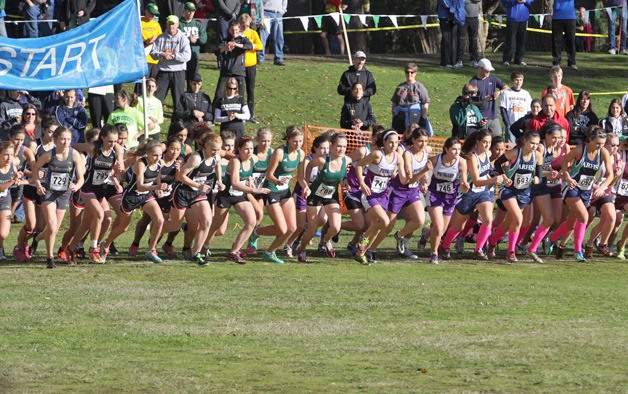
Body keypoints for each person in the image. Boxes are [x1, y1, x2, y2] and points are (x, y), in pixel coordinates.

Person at [548, 126, 613, 261]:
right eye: (597, 143)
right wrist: (567, 176)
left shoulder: (603, 152)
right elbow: (565, 162)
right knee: (584, 216)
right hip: (571, 187)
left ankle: (552, 238)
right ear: (590, 140)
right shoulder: (579, 150)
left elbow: (610, 175)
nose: (600, 146)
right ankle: (578, 251)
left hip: (586, 190)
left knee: (571, 224)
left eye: (602, 143)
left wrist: (602, 187)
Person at [439, 130, 505, 261]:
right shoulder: (472, 157)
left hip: (483, 192)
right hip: (469, 193)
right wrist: (493, 180)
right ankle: (444, 246)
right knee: (459, 226)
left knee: (488, 220)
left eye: (489, 142)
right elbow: (475, 180)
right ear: (478, 142)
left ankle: (478, 249)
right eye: (484, 142)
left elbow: (491, 168)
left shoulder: (488, 153)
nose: (487, 145)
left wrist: (501, 175)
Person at [101, 139, 168, 264]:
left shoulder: (160, 163)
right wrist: (156, 187)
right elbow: (140, 186)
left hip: (146, 195)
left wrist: (159, 187)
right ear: (147, 153)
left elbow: (158, 175)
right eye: (155, 155)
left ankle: (151, 250)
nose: (158, 158)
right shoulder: (141, 163)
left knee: (160, 220)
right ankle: (105, 245)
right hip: (131, 196)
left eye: (160, 155)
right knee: (123, 227)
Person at [30, 126, 85, 268]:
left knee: (54, 229)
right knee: (52, 227)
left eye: (68, 139)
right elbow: (35, 169)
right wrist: (37, 184)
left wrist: (77, 186)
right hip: (49, 192)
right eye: (62, 139)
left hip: (64, 193)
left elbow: (81, 178)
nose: (66, 142)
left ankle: (36, 238)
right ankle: (50, 258)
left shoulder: (74, 155)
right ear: (55, 140)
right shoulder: (49, 155)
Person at [163, 131, 221, 264]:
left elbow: (217, 165)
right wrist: (198, 185)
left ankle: (196, 254)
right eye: (213, 149)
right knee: (174, 226)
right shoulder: (196, 158)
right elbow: (180, 176)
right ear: (205, 146)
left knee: (207, 221)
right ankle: (157, 232)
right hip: (183, 192)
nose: (216, 152)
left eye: (218, 149)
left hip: (197, 193)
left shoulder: (216, 157)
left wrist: (220, 180)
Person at [211, 136, 270, 264]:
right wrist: (255, 190)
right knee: (216, 227)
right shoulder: (235, 161)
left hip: (240, 196)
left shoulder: (253, 159)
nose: (249, 152)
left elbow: (247, 174)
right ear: (239, 149)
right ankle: (202, 247)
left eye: (250, 149)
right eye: (245, 149)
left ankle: (234, 251)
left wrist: (250, 181)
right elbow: (235, 183)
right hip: (226, 195)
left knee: (251, 221)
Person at [251, 126, 304, 264]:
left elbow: (301, 177)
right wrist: (278, 181)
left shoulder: (301, 154)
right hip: (272, 190)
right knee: (281, 228)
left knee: (292, 228)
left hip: (285, 191)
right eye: (295, 141)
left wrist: (306, 187)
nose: (298, 144)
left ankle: (269, 252)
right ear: (288, 139)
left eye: (300, 141)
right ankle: (256, 232)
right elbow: (269, 175)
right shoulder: (280, 152)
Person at [488, 131, 542, 263]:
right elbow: (497, 164)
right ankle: (511, 252)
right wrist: (505, 178)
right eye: (532, 143)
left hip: (524, 192)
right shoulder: (515, 153)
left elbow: (539, 176)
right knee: (518, 218)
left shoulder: (538, 156)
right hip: (508, 190)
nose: (534, 146)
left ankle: (492, 241)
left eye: (537, 144)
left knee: (508, 223)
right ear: (525, 141)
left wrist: (536, 179)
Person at [295, 132, 348, 262]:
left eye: (344, 146)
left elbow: (355, 165)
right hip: (315, 195)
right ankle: (301, 249)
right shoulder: (322, 160)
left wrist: (345, 181)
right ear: (332, 145)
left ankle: (326, 240)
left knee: (336, 227)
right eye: (339, 146)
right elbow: (309, 166)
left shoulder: (346, 160)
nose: (342, 149)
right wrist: (306, 185)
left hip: (331, 196)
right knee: (312, 230)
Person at [353, 130, 404, 264]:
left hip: (383, 195)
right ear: (385, 142)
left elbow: (402, 177)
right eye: (391, 142)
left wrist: (411, 175)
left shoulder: (398, 157)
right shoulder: (377, 154)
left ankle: (360, 253)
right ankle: (363, 238)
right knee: (385, 222)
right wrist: (362, 183)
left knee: (377, 225)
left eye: (396, 142)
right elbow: (359, 165)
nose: (393, 145)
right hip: (370, 194)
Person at [151, 15, 192, 111]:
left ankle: (178, 122)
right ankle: (153, 121)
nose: (171, 26)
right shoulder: (161, 38)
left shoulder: (183, 38)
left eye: (173, 24)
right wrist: (162, 54)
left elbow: (187, 56)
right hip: (163, 72)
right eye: (169, 24)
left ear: (177, 25)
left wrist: (174, 56)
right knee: (157, 99)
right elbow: (153, 53)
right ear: (166, 24)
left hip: (178, 72)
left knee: (178, 101)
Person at [215, 20, 253, 104]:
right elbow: (217, 51)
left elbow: (250, 46)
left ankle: (240, 114)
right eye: (232, 30)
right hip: (226, 72)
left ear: (239, 29)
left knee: (240, 96)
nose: (234, 32)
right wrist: (226, 47)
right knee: (219, 94)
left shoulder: (243, 39)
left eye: (236, 30)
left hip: (239, 72)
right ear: (229, 30)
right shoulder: (225, 40)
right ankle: (215, 114)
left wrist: (236, 45)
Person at [469, 58, 508, 137]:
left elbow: (506, 88)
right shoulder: (473, 82)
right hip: (480, 118)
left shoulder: (493, 78)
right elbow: (470, 101)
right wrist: (482, 101)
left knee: (497, 140)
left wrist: (499, 92)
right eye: (487, 70)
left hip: (494, 116)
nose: (489, 73)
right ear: (480, 68)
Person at [391, 63, 430, 134]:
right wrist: (394, 116)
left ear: (415, 73)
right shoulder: (400, 87)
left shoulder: (419, 87)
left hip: (415, 115)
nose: (409, 74)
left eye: (412, 72)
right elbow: (394, 102)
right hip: (401, 115)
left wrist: (423, 117)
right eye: (407, 72)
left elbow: (425, 102)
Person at [239, 13, 263, 124]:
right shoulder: (238, 34)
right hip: (240, 65)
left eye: (247, 25)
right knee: (241, 91)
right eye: (243, 25)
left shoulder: (253, 33)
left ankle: (251, 115)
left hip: (251, 65)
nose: (245, 27)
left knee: (250, 90)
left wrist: (251, 46)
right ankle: (241, 114)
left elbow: (260, 46)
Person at [0, 141, 20, 260]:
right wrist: (12, 181)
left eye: (11, 155)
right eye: (6, 155)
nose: (9, 158)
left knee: (3, 233)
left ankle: (0, 247)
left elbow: (16, 176)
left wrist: (18, 178)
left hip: (4, 200)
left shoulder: (13, 164)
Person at [500, 71, 532, 143]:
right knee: (511, 146)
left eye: (520, 80)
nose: (518, 82)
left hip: (522, 125)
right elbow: (503, 110)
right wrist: (507, 124)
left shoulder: (526, 94)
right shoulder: (506, 93)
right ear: (512, 81)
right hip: (511, 125)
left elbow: (529, 111)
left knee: (523, 144)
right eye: (516, 80)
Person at [180, 2, 207, 82]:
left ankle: (190, 94)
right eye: (189, 10)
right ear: (184, 11)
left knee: (192, 79)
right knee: (181, 79)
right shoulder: (179, 24)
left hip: (194, 54)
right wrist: (188, 39)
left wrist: (196, 40)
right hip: (181, 55)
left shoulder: (197, 24)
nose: (191, 12)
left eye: (193, 11)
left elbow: (204, 39)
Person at [501, 0, 533, 67]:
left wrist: (525, 1)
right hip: (512, 18)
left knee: (521, 41)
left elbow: (531, 1)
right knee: (510, 41)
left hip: (523, 18)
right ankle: (507, 59)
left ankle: (519, 59)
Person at [437, 0, 465, 69]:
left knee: (454, 40)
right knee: (446, 39)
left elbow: (461, 3)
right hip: (444, 16)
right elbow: (444, 3)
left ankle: (454, 61)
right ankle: (446, 62)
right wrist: (452, 8)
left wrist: (457, 12)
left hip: (454, 17)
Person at [258, 0, 287, 66]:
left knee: (279, 38)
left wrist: (283, 10)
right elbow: (261, 2)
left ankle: (279, 59)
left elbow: (284, 1)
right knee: (262, 38)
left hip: (278, 14)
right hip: (266, 13)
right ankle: (260, 58)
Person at [551, 0, 577, 69]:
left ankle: (572, 62)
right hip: (557, 16)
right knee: (556, 40)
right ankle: (556, 62)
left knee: (571, 40)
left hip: (570, 16)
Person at [454, 0, 480, 68]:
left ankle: (473, 60)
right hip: (462, 17)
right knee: (461, 40)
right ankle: (459, 60)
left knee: (473, 39)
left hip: (474, 17)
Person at [214, 0, 241, 66]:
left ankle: (230, 61)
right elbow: (220, 2)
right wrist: (229, 13)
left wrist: (235, 13)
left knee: (232, 39)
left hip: (233, 18)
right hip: (223, 18)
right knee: (223, 39)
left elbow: (238, 3)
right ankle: (221, 62)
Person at [141, 3, 163, 80]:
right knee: (142, 84)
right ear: (146, 11)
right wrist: (147, 41)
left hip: (155, 59)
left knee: (153, 82)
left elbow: (161, 39)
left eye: (155, 14)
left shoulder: (156, 24)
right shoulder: (140, 22)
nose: (153, 16)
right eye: (151, 13)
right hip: (144, 58)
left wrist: (156, 39)